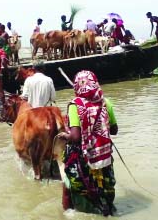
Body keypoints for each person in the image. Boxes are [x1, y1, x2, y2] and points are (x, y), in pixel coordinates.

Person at [59, 70, 118, 216]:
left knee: (67, 186)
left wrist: (64, 135)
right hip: (104, 155)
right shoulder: (106, 102)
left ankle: (67, 213)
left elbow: (76, 137)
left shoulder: (75, 105)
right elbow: (114, 130)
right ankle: (108, 207)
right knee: (106, 185)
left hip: (82, 157)